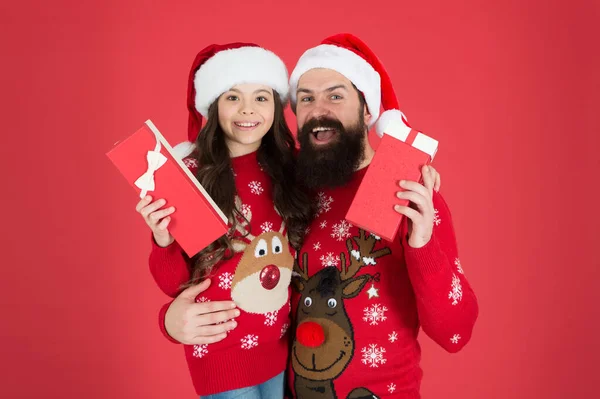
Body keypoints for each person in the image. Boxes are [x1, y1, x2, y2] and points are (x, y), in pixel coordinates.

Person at [159, 33, 478, 399]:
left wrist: (424, 244)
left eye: (336, 95)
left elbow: (455, 333)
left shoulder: (409, 192)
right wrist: (171, 321)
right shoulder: (291, 187)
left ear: (368, 109)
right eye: (306, 98)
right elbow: (221, 268)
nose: (318, 109)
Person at [135, 42, 313, 398]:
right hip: (220, 353)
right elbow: (175, 284)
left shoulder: (291, 169)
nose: (248, 109)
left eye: (261, 98)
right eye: (233, 97)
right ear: (213, 106)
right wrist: (163, 240)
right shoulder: (188, 174)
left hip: (282, 350)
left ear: (277, 108)